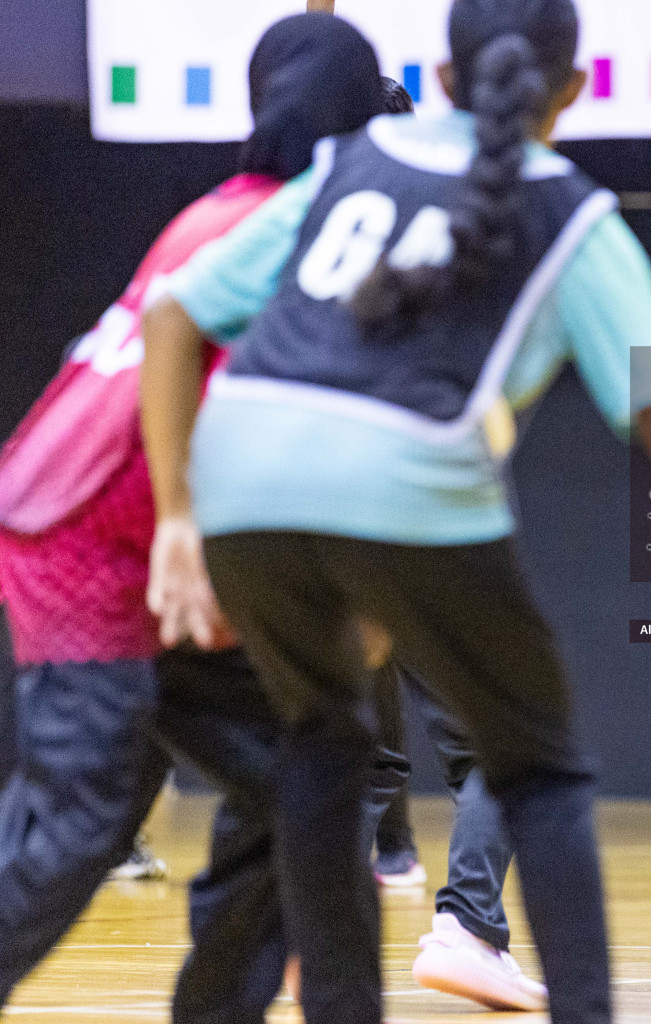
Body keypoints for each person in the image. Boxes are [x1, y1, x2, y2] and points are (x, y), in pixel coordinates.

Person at [138, 1, 651, 1022]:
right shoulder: (570, 212)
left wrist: (177, 516)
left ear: (444, 71)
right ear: (574, 90)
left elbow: (172, 311)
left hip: (244, 478)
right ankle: (525, 969)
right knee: (538, 768)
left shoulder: (353, 160)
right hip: (408, 480)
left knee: (323, 747)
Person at [0, 14, 388, 1021]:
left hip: (138, 540)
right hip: (89, 544)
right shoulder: (299, 226)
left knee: (305, 772)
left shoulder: (227, 205)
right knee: (79, 820)